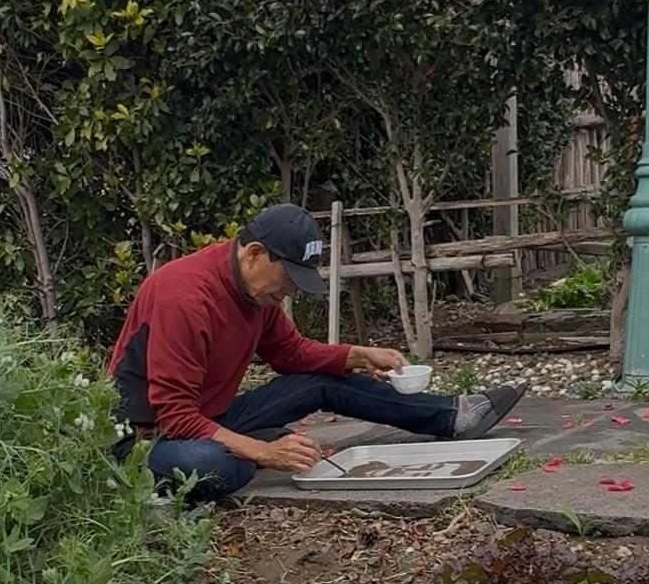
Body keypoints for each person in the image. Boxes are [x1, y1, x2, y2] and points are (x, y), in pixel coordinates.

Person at [108, 203, 526, 502]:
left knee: (321, 379)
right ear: (255, 254)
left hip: (210, 417)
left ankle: (452, 416)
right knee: (222, 467)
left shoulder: (256, 293)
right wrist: (263, 452)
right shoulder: (184, 296)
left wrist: (359, 355)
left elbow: (290, 354)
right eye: (288, 278)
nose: (289, 290)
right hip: (148, 438)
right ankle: (242, 447)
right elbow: (175, 417)